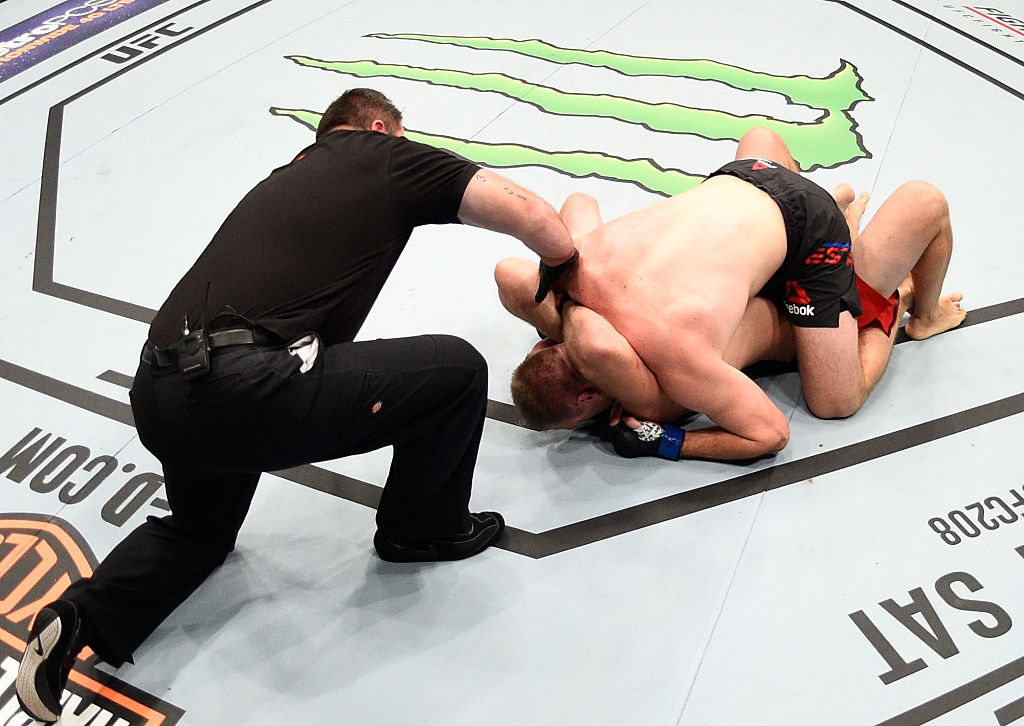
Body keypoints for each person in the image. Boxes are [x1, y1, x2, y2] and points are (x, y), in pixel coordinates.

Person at [16, 88, 579, 723]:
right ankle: (421, 530)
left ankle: (77, 617)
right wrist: (563, 276)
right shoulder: (382, 155)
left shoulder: (288, 175)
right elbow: (533, 216)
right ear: (375, 127)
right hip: (245, 388)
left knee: (199, 530)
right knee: (455, 370)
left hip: (158, 389)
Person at [497, 127, 965, 460]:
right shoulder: (568, 273)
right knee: (760, 136)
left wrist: (667, 441)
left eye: (581, 423)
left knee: (834, 402)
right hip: (747, 176)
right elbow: (576, 206)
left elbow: (770, 434)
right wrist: (569, 299)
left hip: (806, 231)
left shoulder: (674, 362)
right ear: (544, 344)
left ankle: (911, 309)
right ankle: (841, 217)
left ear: (586, 399)